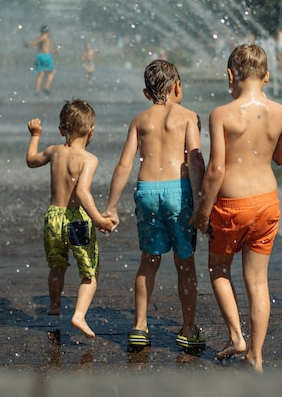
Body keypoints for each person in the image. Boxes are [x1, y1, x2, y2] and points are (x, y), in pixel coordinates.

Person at [190, 44, 282, 373]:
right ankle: (256, 357)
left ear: (231, 75)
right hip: (267, 203)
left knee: (219, 270)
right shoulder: (279, 112)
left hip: (232, 206)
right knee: (258, 282)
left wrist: (203, 212)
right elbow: (281, 157)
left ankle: (237, 337)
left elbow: (216, 170)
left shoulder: (222, 114)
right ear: (267, 77)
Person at [104, 60, 206, 351]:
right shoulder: (188, 117)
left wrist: (111, 207)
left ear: (147, 94)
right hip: (180, 192)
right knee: (184, 263)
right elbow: (195, 160)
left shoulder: (140, 120)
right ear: (177, 86)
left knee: (148, 260)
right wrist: (200, 202)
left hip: (147, 191)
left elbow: (124, 164)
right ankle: (188, 328)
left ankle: (139, 325)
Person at [26, 100, 115, 338]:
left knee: (57, 266)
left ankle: (55, 305)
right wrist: (99, 219)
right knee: (89, 272)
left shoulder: (55, 151)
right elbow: (82, 192)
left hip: (54, 217)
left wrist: (35, 135)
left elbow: (31, 160)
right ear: (91, 131)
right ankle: (79, 315)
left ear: (61, 130)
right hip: (77, 220)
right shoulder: (89, 159)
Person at [25, 25, 58, 96]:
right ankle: (46, 87)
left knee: (40, 73)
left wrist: (54, 50)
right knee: (51, 72)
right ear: (47, 32)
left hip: (39, 56)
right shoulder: (45, 36)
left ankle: (37, 90)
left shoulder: (46, 39)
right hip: (46, 56)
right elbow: (37, 42)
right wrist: (32, 43)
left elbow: (49, 48)